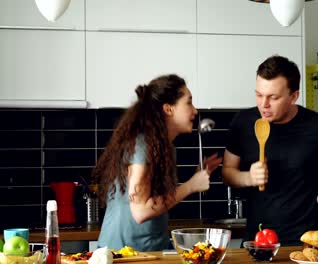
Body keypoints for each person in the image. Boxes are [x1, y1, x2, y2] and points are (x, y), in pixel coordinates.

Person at [222, 55, 318, 246]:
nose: (263, 104)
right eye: (259, 94)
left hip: (308, 239)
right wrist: (248, 178)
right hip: (257, 240)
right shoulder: (242, 123)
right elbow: (227, 172)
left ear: (294, 96)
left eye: (273, 97)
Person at [93, 74, 222, 251]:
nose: (195, 111)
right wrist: (191, 185)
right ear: (169, 109)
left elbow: (156, 200)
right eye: (189, 102)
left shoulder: (165, 148)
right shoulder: (142, 146)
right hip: (121, 255)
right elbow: (141, 212)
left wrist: (197, 176)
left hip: (150, 251)